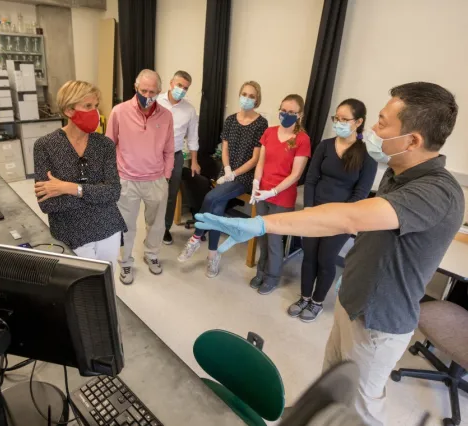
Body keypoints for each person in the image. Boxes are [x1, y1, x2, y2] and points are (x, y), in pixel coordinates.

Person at [193, 82, 464, 425]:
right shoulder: (399, 176)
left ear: (412, 140)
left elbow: (349, 217)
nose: (374, 129)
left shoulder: (437, 191)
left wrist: (263, 226)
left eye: (382, 122)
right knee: (332, 391)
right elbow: (345, 226)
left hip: (379, 320)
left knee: (360, 411)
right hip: (352, 303)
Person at [288, 99, 376, 322]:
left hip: (341, 218)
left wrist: (340, 217)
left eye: (344, 119)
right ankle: (304, 297)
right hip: (314, 212)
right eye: (336, 118)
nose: (338, 123)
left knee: (325, 259)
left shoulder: (367, 155)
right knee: (309, 256)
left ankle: (317, 302)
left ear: (358, 122)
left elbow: (361, 193)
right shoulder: (325, 145)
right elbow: (311, 179)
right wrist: (308, 209)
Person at [178, 81, 268, 278]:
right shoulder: (230, 120)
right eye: (244, 93)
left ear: (257, 99)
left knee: (210, 198)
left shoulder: (261, 123)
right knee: (217, 208)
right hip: (226, 173)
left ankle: (196, 237)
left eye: (251, 96)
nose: (246, 98)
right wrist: (226, 169)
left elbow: (255, 159)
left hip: (244, 176)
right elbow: (225, 148)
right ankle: (212, 257)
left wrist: (234, 174)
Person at [34, 80, 126, 268]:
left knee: (106, 283)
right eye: (88, 106)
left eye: (96, 106)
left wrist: (68, 188)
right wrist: (96, 194)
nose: (96, 112)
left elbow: (113, 192)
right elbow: (48, 203)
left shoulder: (105, 145)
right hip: (70, 232)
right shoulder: (45, 146)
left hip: (107, 227)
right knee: (82, 289)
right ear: (69, 110)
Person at [106, 69, 174, 285]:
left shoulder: (166, 116)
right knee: (126, 224)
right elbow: (109, 146)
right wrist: (112, 177)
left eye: (152, 91)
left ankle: (152, 255)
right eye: (143, 90)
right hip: (127, 179)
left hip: (155, 180)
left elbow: (170, 149)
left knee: (156, 224)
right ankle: (125, 261)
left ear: (159, 91)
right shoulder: (119, 112)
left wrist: (166, 175)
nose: (147, 95)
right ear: (136, 88)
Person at [250, 94, 310, 295]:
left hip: (282, 197)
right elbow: (261, 162)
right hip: (261, 193)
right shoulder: (269, 132)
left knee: (275, 241)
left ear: (299, 115)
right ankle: (260, 271)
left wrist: (273, 191)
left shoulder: (302, 139)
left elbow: (296, 174)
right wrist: (256, 184)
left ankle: (272, 277)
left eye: (292, 112)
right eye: (283, 110)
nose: (286, 115)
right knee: (262, 237)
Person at [157, 70, 200, 245]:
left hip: (175, 155)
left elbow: (192, 137)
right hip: (153, 155)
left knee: (170, 194)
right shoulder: (156, 101)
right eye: (179, 85)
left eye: (185, 87)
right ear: (171, 83)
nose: (181, 90)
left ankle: (165, 228)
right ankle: (152, 227)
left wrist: (195, 161)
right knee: (152, 193)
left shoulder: (189, 110)